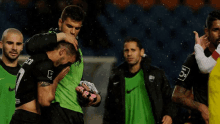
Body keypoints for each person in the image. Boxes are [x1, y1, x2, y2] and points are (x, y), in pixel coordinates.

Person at [24, 5, 101, 124]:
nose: (72, 32)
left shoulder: (77, 50)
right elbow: (29, 45)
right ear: (60, 23)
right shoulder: (51, 40)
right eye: (69, 26)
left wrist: (91, 96)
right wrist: (63, 36)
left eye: (77, 28)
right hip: (54, 109)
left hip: (76, 112)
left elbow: (73, 81)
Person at [103, 37, 177, 124]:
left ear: (141, 52)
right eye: (126, 50)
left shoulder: (156, 75)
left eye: (133, 50)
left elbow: (170, 98)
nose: (129, 54)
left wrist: (169, 115)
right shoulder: (116, 79)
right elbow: (109, 110)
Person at [9, 37, 80, 124]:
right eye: (68, 62)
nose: (67, 66)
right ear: (62, 52)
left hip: (21, 115)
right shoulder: (46, 65)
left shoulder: (38, 57)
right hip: (28, 118)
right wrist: (56, 80)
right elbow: (44, 101)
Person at [171, 10, 220, 124]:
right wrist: (201, 107)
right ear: (206, 32)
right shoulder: (194, 60)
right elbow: (177, 95)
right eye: (216, 29)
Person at [193, 11, 220, 124]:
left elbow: (204, 67)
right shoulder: (218, 52)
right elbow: (209, 62)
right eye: (216, 29)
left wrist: (198, 47)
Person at [0, 28, 23, 124]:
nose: (14, 48)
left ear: (22, 47)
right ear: (1, 44)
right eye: (10, 43)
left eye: (18, 44)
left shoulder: (27, 74)